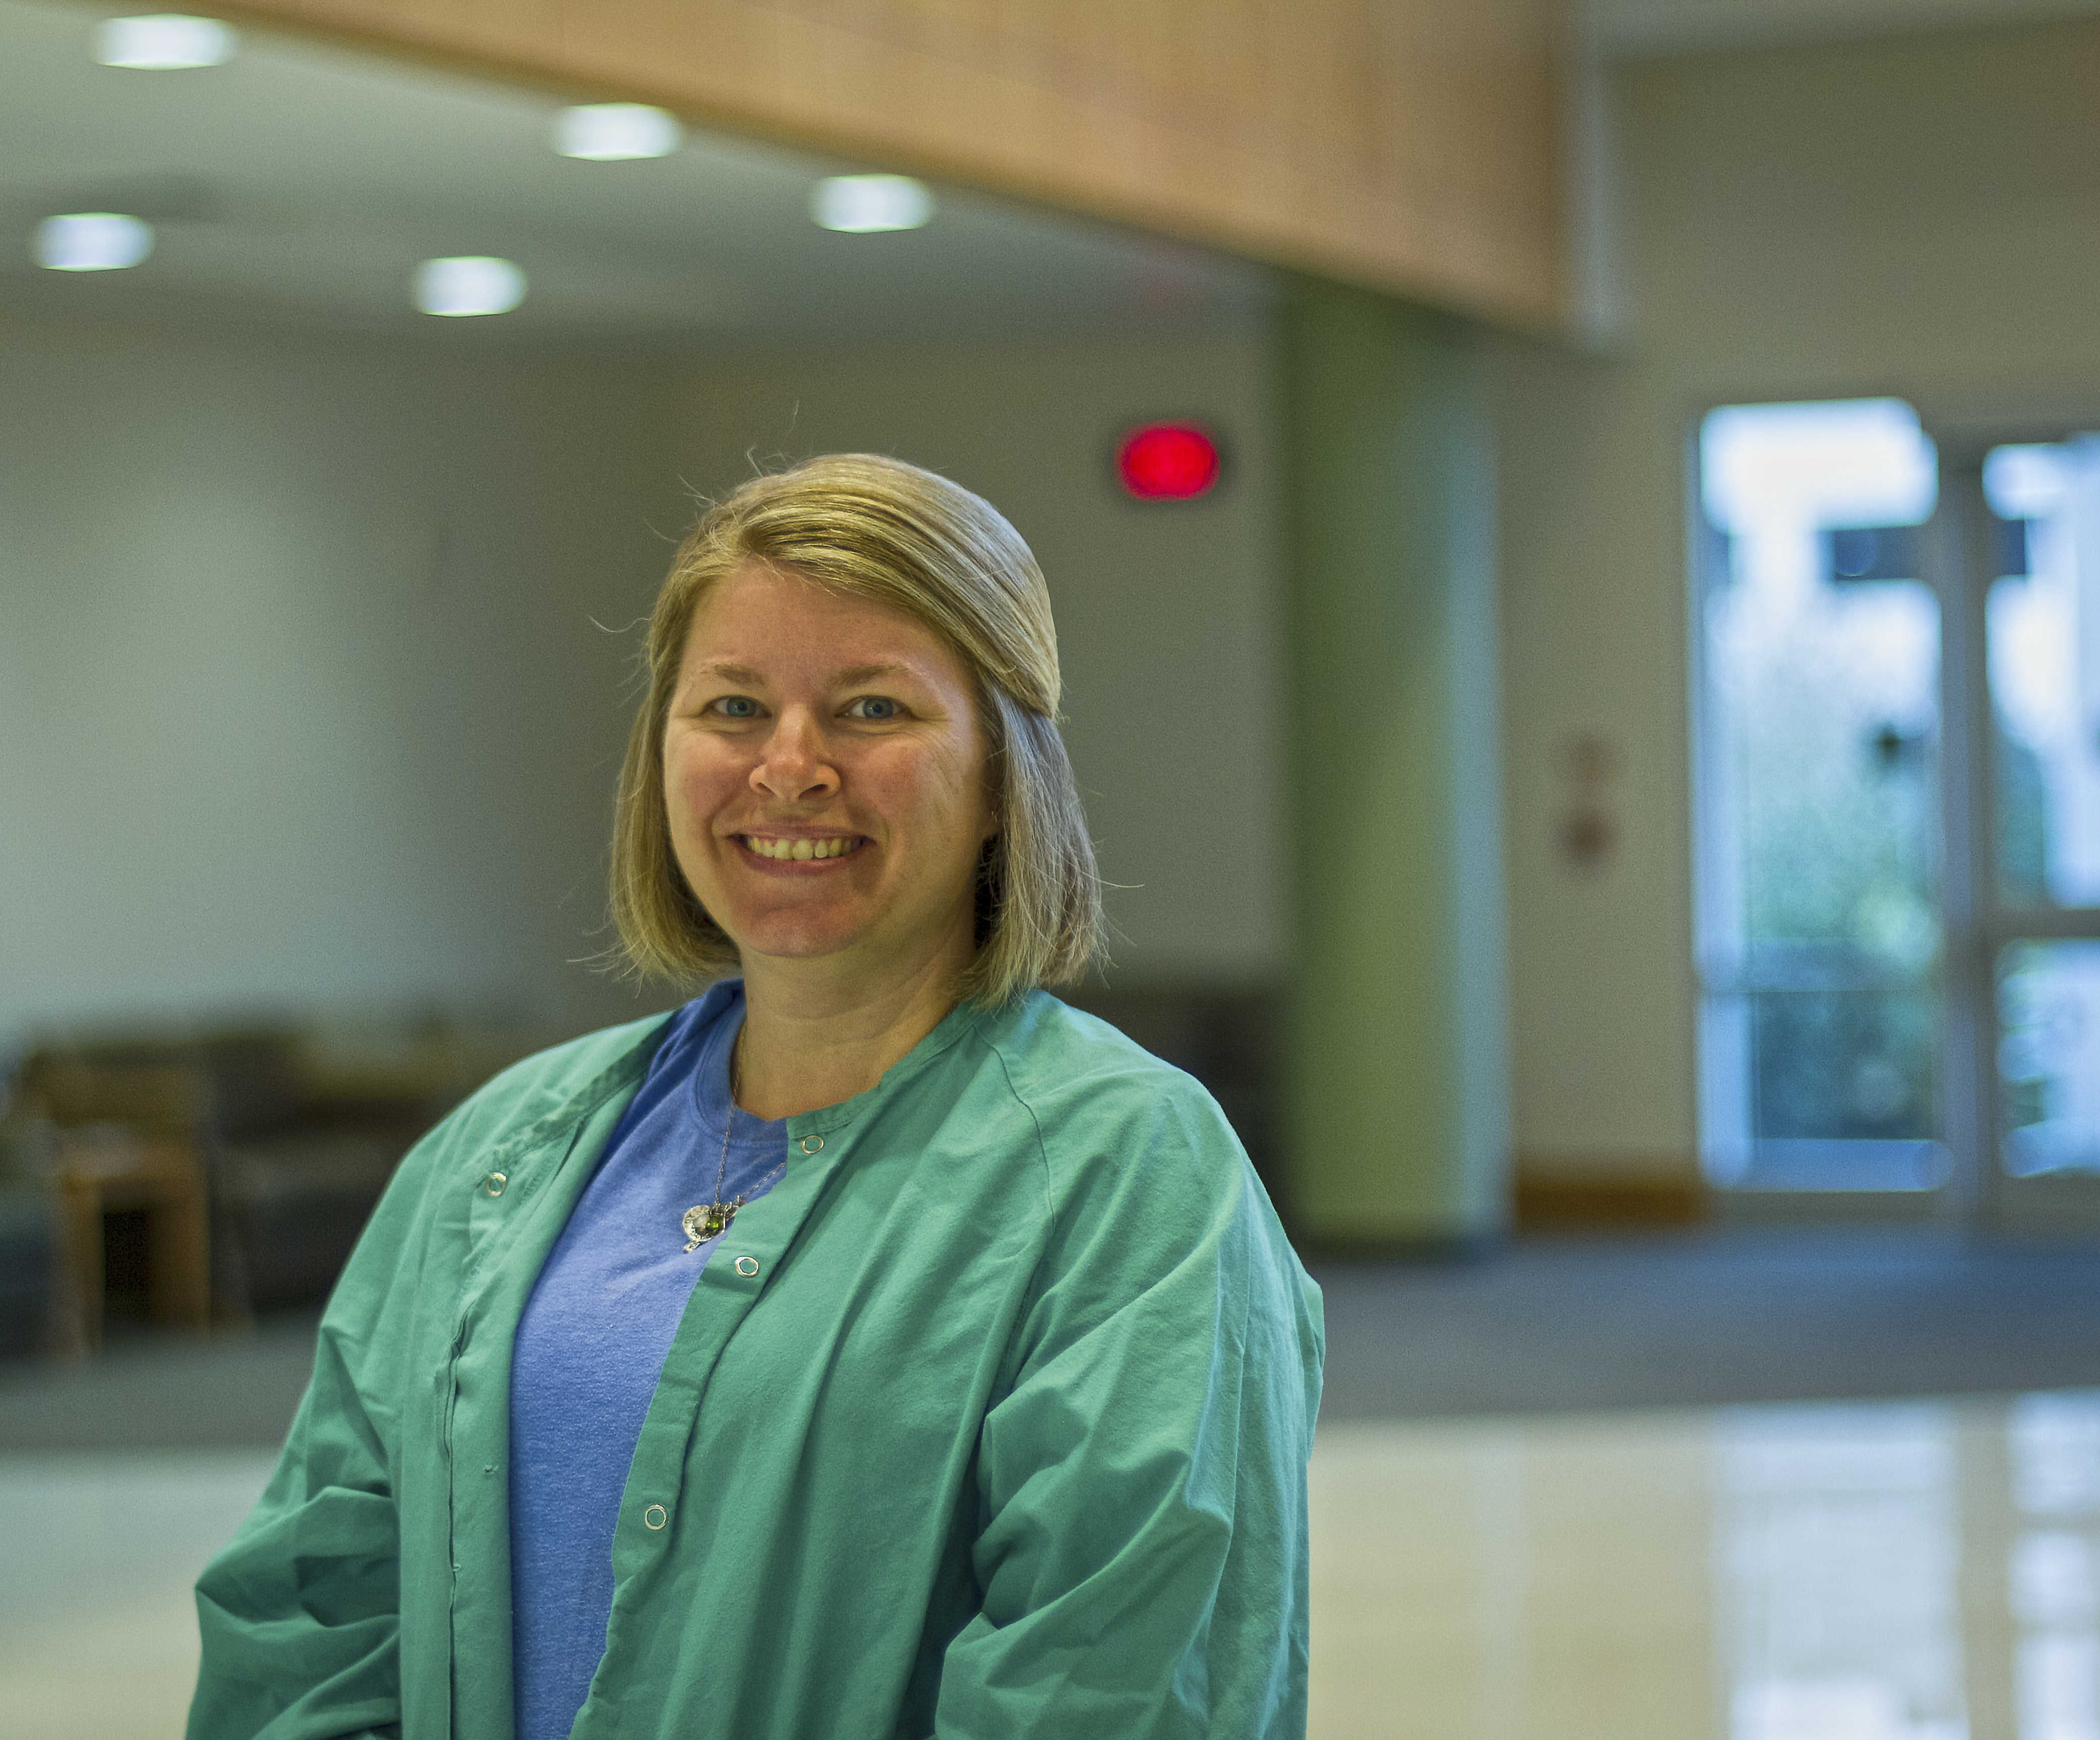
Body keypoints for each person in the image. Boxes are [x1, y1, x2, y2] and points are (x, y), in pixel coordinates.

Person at [187, 453, 1324, 1740]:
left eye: (872, 710)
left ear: (1006, 775)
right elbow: (311, 1622)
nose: (789, 767)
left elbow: (1113, 1692)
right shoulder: (496, 1153)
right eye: (732, 707)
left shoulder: (1131, 1181)